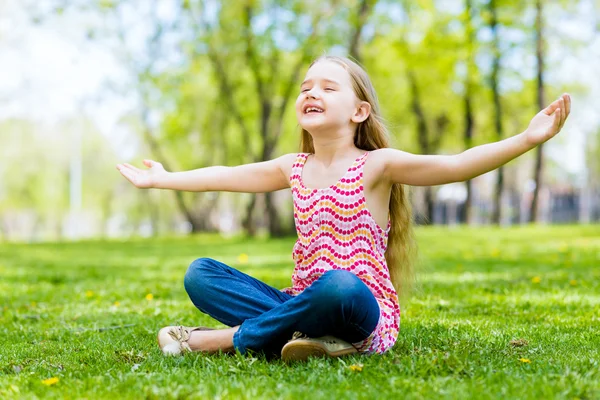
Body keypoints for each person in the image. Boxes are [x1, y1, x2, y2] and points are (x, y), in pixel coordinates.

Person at [116, 55, 571, 362]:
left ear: (359, 111)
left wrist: (526, 139)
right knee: (201, 273)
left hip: (358, 308)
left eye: (328, 88)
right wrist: (163, 178)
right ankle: (308, 339)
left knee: (338, 286)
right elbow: (225, 174)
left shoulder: (377, 165)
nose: (311, 93)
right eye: (306, 87)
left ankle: (226, 341)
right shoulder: (293, 167)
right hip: (303, 304)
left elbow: (455, 165)